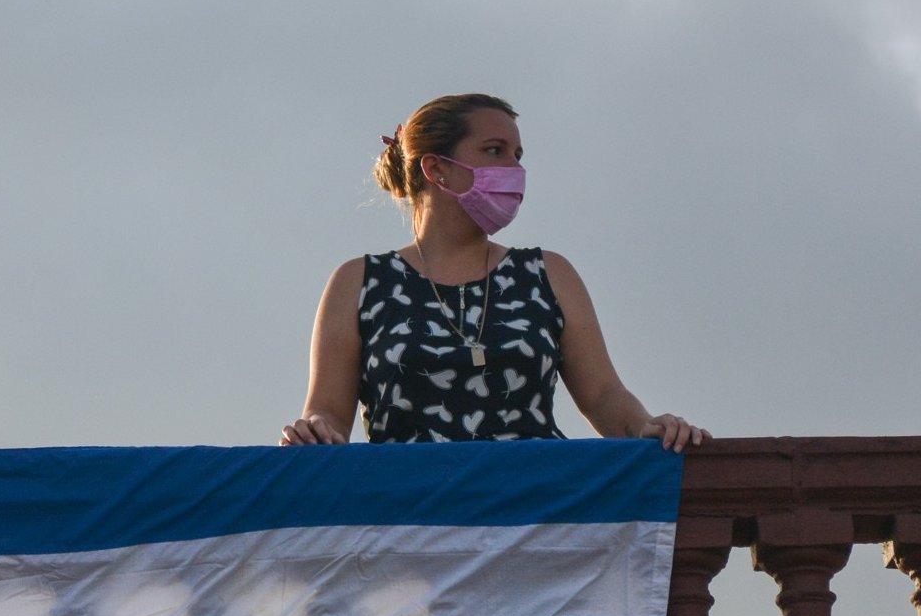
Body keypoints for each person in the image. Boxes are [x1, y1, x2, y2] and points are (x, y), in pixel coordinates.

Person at [281, 93, 706, 449]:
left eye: (517, 155)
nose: (514, 169)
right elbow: (328, 416)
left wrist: (647, 427)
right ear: (436, 169)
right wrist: (311, 432)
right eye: (493, 151)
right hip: (408, 522)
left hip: (535, 515)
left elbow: (603, 396)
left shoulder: (548, 273)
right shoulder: (359, 282)